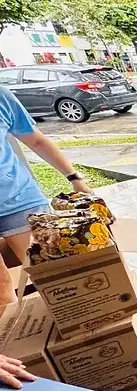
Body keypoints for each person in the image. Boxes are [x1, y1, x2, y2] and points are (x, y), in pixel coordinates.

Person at [1, 86, 91, 305]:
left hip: (20, 200)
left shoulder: (1, 97)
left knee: (54, 276)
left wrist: (74, 178)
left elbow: (36, 140)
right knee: (2, 289)